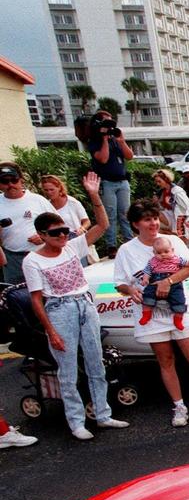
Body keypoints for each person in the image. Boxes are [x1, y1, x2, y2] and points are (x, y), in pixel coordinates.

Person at [23, 173, 131, 439]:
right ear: (41, 235)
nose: (62, 236)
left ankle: (103, 414)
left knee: (96, 363)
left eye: (64, 231)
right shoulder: (33, 261)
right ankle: (76, 422)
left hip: (85, 305)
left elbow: (103, 225)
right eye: (55, 233)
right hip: (59, 310)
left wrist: (94, 195)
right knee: (68, 369)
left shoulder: (72, 246)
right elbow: (37, 299)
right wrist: (52, 332)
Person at [113, 198, 189, 427]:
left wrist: (168, 281)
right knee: (166, 360)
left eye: (155, 218)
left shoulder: (173, 241)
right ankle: (179, 406)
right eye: (148, 220)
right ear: (136, 224)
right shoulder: (126, 251)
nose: (153, 224)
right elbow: (120, 283)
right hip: (152, 313)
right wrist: (130, 290)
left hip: (180, 307)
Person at [81, 109, 133, 252]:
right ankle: (112, 246)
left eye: (111, 122)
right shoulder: (95, 142)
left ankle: (130, 241)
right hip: (107, 182)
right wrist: (104, 139)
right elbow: (103, 159)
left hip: (122, 181)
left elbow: (129, 156)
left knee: (125, 213)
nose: (109, 126)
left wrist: (121, 141)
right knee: (110, 214)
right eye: (106, 122)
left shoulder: (115, 140)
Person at [0, 162, 56, 285]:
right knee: (16, 297)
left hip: (40, 255)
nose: (10, 185)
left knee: (48, 293)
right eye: (5, 181)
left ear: (21, 180)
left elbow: (58, 225)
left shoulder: (38, 200)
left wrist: (44, 237)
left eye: (14, 180)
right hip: (12, 260)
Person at [135, 235, 189, 329]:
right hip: (155, 281)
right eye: (159, 252)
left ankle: (178, 320)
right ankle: (146, 314)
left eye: (166, 251)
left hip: (175, 283)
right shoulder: (152, 261)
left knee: (179, 301)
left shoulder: (177, 259)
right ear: (154, 252)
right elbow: (147, 271)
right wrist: (145, 279)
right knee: (147, 296)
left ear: (172, 250)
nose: (163, 254)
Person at [38, 174, 89, 265]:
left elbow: (86, 221)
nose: (49, 192)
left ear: (59, 188)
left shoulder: (72, 202)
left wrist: (82, 229)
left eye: (52, 189)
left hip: (74, 237)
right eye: (46, 190)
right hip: (56, 240)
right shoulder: (45, 205)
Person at [152, 168, 189, 239]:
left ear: (166, 179)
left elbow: (187, 206)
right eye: (156, 182)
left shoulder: (177, 191)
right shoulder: (161, 192)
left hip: (180, 216)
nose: (158, 184)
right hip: (169, 217)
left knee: (182, 237)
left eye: (159, 181)